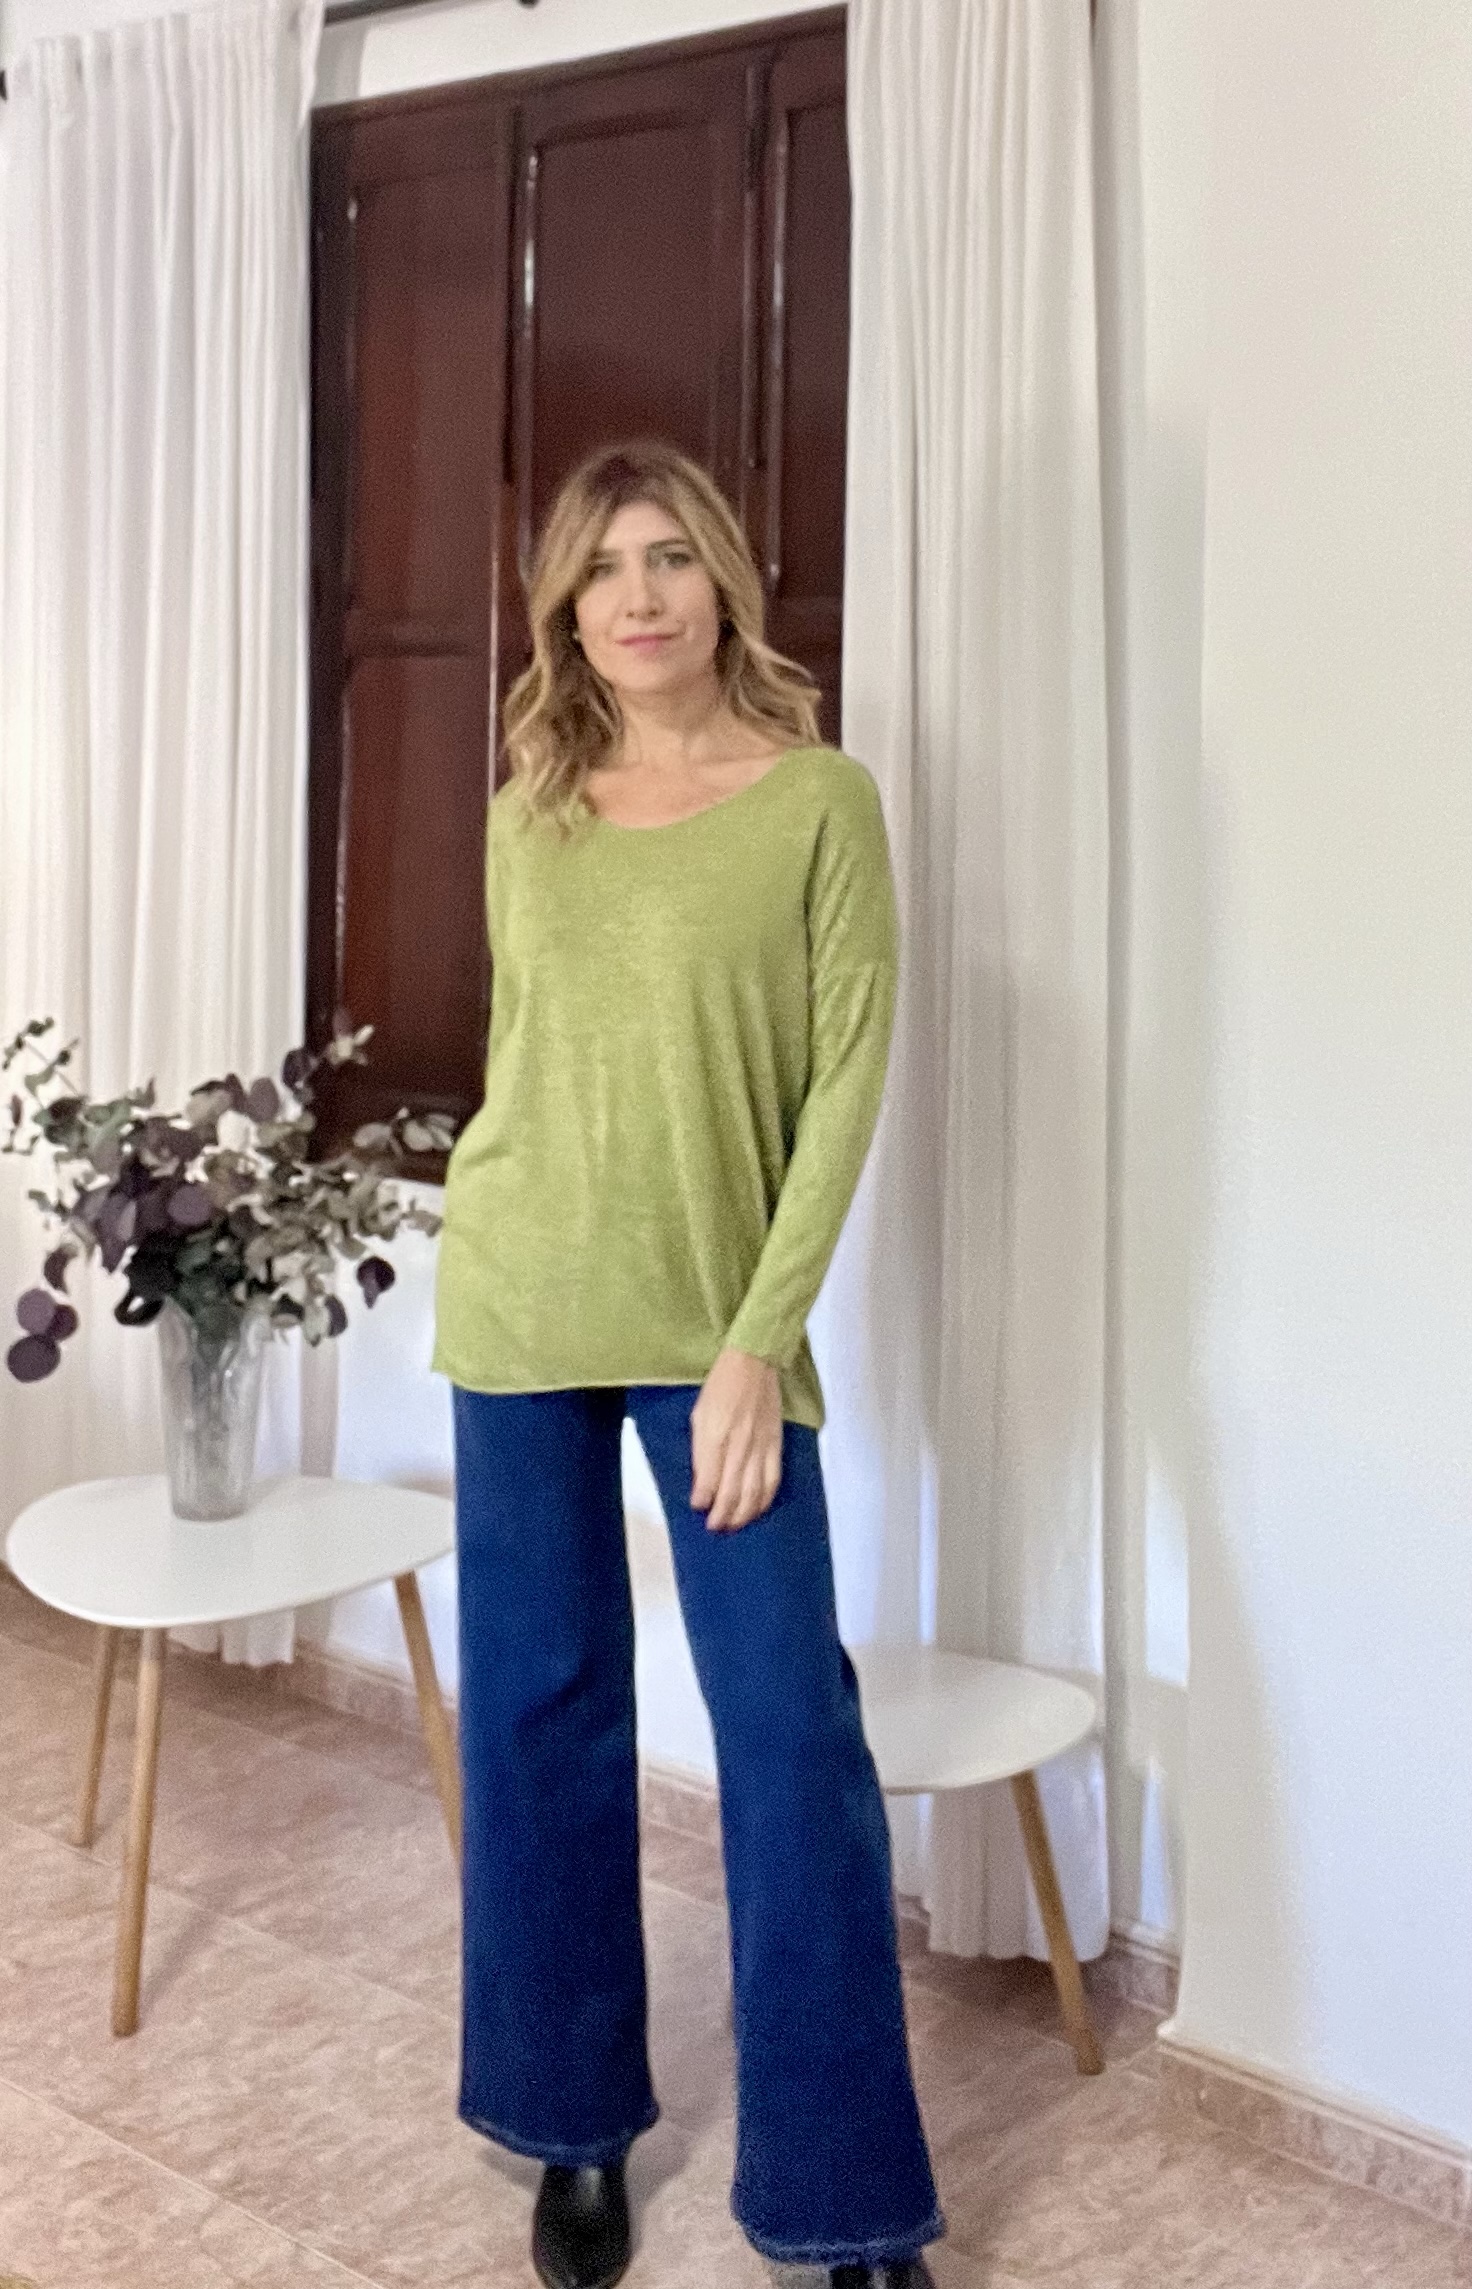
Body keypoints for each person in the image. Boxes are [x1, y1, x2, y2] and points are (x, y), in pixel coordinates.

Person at [433, 439, 942, 2289]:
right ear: (566, 611)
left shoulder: (819, 801)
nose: (636, 596)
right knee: (540, 1713)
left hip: (714, 1338)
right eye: (599, 569)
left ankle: (846, 2201)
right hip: (522, 1310)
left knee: (792, 1739)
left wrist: (755, 1344)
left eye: (667, 558)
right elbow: (537, 1066)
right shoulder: (534, 808)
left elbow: (844, 1086)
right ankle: (571, 2120)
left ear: (723, 580)